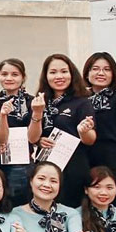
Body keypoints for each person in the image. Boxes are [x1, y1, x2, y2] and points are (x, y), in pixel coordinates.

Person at [29, 54, 96, 207]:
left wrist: (84, 131)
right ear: (46, 76)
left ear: (72, 74)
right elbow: (32, 138)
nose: (59, 76)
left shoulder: (82, 102)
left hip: (74, 166)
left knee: (72, 210)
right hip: (46, 165)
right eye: (53, 72)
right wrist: (37, 114)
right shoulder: (39, 101)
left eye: (64, 71)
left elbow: (91, 139)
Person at [83, 53, 116, 206]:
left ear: (113, 74)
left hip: (114, 160)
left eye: (107, 69)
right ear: (87, 73)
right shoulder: (79, 99)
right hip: (85, 160)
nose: (101, 73)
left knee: (115, 205)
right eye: (95, 69)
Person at [0, 58, 34, 205]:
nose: (9, 78)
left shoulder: (33, 102)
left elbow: (35, 135)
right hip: (1, 162)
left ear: (23, 77)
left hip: (25, 163)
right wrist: (3, 116)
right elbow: (1, 136)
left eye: (15, 74)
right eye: (4, 74)